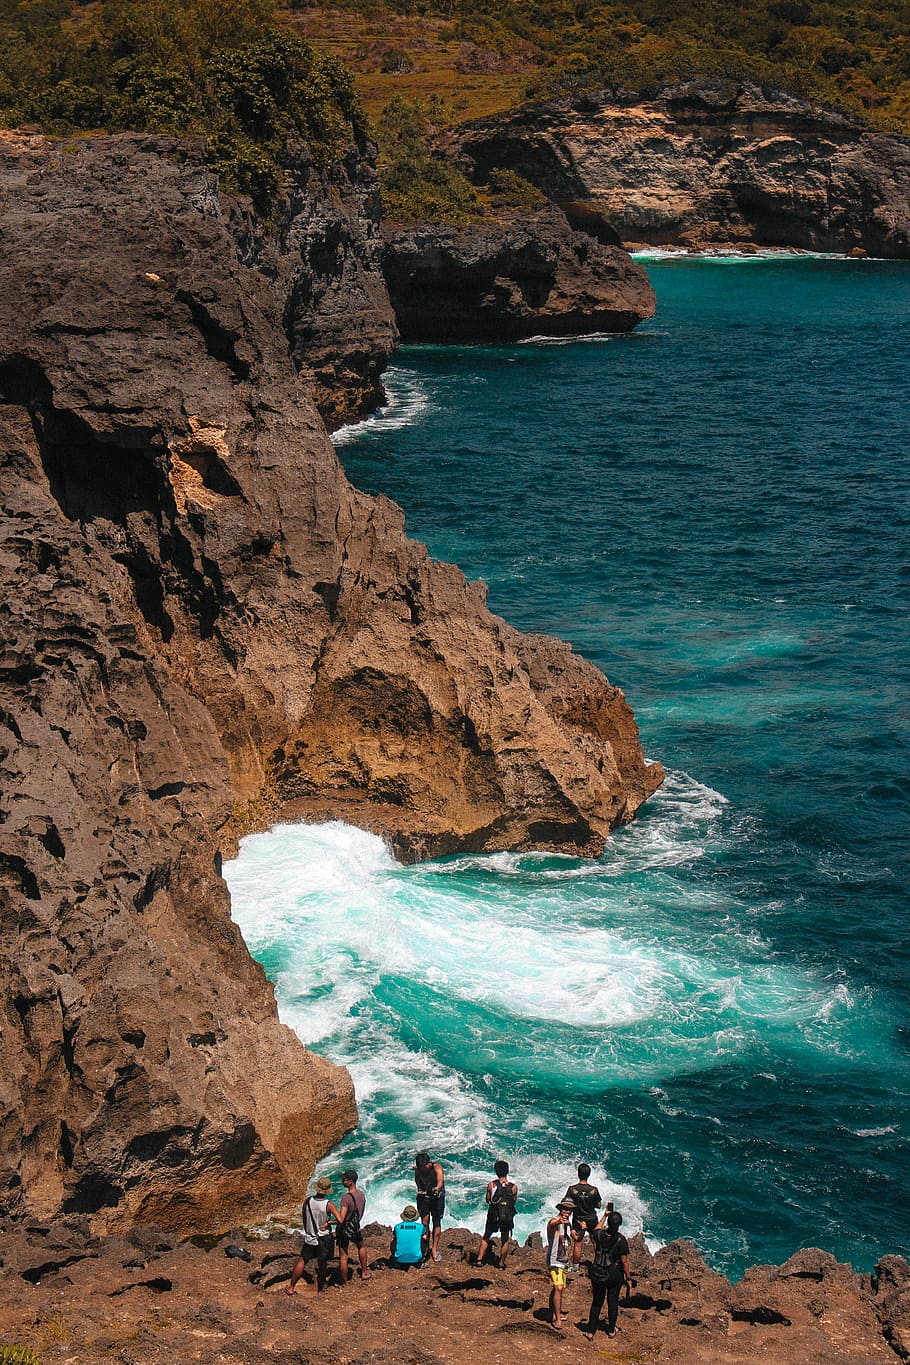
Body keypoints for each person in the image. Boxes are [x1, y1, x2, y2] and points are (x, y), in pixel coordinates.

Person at [286, 1175, 342, 1294]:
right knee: (322, 1264)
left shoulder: (308, 1201)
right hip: (324, 1238)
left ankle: (291, 1287)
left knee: (302, 1261)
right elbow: (340, 1219)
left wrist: (308, 1230)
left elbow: (304, 1217)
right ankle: (320, 1289)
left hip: (311, 1237)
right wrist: (329, 1223)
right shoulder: (328, 1204)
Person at [584, 1209, 631, 1340]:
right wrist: (628, 1277)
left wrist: (604, 1215)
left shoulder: (599, 1235)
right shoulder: (621, 1239)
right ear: (619, 1224)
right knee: (612, 1301)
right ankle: (611, 1330)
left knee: (596, 1302)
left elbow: (596, 1229)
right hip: (614, 1275)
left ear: (608, 1223)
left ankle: (590, 1331)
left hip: (598, 1272)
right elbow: (624, 1261)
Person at [477, 1159, 518, 1269]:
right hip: (506, 1217)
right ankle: (501, 1264)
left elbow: (488, 1200)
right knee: (504, 1239)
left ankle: (479, 1260)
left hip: (494, 1215)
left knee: (486, 1236)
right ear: (507, 1171)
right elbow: (513, 1202)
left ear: (496, 1171)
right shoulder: (514, 1187)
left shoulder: (491, 1185)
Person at [336, 1168, 373, 1284]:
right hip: (355, 1226)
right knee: (361, 1247)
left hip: (345, 1229)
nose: (342, 1181)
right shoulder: (361, 1195)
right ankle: (364, 1272)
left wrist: (330, 1222)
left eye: (344, 1179)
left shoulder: (346, 1198)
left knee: (343, 1255)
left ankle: (344, 1282)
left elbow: (341, 1218)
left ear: (350, 1181)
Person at [563, 1162, 602, 1269]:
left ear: (578, 1174)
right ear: (589, 1174)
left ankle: (575, 1267)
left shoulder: (572, 1189)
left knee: (578, 1242)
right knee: (595, 1241)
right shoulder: (594, 1190)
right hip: (592, 1218)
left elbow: (566, 1203)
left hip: (578, 1219)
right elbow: (599, 1205)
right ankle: (599, 1263)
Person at [545, 1199, 575, 1330]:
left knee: (558, 1289)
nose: (567, 1211)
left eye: (569, 1209)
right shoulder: (555, 1222)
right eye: (565, 1209)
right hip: (554, 1261)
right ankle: (557, 1318)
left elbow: (574, 1237)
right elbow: (551, 1224)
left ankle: (554, 1313)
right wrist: (558, 1221)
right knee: (558, 1288)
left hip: (564, 1261)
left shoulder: (568, 1224)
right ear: (560, 1209)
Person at [414, 1151, 445, 1262]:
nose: (421, 1170)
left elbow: (440, 1181)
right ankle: (425, 1247)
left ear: (428, 1164)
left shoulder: (437, 1167)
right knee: (424, 1222)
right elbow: (417, 1179)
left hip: (437, 1197)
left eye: (423, 1167)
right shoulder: (418, 1169)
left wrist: (437, 1188)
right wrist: (419, 1189)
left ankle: (434, 1249)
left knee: (436, 1221)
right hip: (425, 1197)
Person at [391, 1203, 427, 1268]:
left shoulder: (397, 1227)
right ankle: (419, 1261)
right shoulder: (420, 1227)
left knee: (394, 1240)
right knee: (423, 1238)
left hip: (399, 1259)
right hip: (416, 1259)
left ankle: (397, 1260)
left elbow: (395, 1237)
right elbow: (424, 1237)